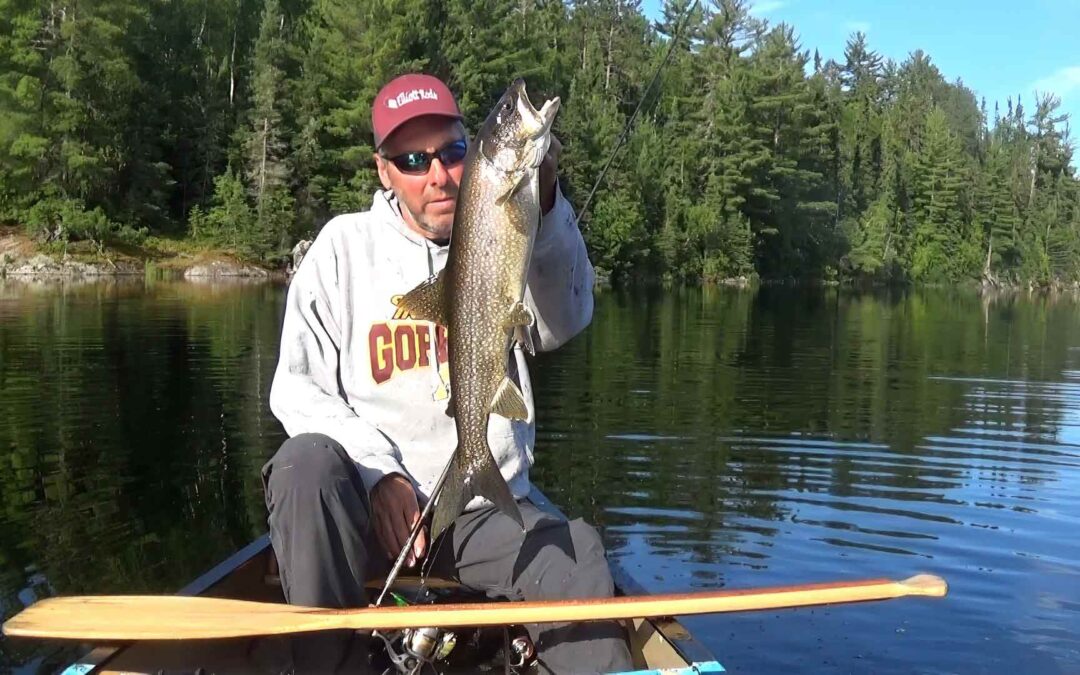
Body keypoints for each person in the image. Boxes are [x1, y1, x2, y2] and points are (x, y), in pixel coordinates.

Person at [262, 73, 632, 674]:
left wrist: (545, 201)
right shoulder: (340, 251)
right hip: (365, 522)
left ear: (473, 152)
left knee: (576, 551)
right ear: (383, 170)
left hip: (486, 510)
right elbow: (295, 387)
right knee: (302, 466)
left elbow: (565, 319)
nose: (438, 175)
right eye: (412, 159)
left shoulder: (511, 224)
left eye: (452, 152)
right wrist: (378, 472)